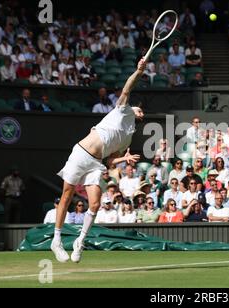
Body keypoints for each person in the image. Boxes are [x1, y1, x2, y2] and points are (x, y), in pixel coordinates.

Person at [51, 59, 146, 263]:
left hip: (96, 163)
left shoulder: (128, 137)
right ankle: (56, 240)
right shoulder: (122, 109)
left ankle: (80, 241)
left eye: (142, 113)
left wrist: (124, 158)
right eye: (139, 109)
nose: (141, 111)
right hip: (81, 153)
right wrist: (138, 71)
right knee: (67, 195)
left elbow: (111, 160)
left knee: (95, 203)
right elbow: (128, 88)